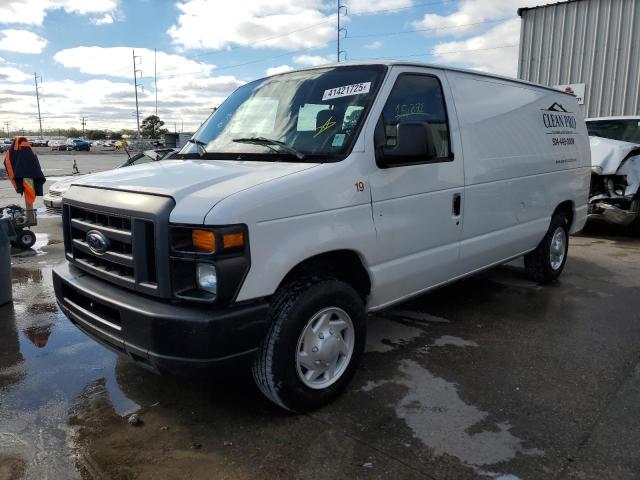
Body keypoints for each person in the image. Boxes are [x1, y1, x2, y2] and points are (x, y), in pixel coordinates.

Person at [3, 136, 46, 220]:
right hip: (29, 178)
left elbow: (8, 162)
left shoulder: (15, 151)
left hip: (25, 179)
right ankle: (30, 217)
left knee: (29, 193)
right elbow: (35, 164)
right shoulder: (29, 149)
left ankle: (30, 217)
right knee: (29, 193)